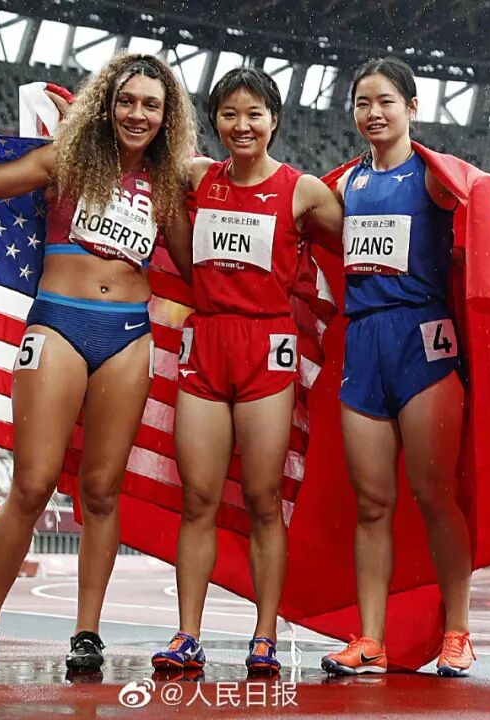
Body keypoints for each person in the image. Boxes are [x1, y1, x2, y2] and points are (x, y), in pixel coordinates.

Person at [0, 53, 197, 672]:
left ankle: (87, 633)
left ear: (167, 118)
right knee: (32, 485)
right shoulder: (66, 162)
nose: (137, 114)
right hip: (58, 324)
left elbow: (193, 268)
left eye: (151, 105)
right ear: (106, 105)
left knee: (102, 492)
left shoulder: (165, 186)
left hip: (128, 337)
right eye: (127, 101)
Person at [151, 68, 342, 676]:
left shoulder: (302, 191)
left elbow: (361, 236)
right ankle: (188, 634)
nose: (242, 125)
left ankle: (264, 636)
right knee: (199, 499)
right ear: (214, 121)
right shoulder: (197, 175)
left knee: (263, 499)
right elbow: (145, 155)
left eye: (254, 113)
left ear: (274, 120)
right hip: (207, 340)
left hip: (267, 347)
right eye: (229, 114)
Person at [319, 57, 475, 678]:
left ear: (412, 107)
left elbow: (482, 209)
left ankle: (458, 633)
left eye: (385, 101)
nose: (373, 113)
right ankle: (371, 640)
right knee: (372, 503)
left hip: (423, 342)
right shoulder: (344, 186)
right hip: (364, 343)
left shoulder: (434, 177)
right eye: (362, 103)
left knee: (435, 495)